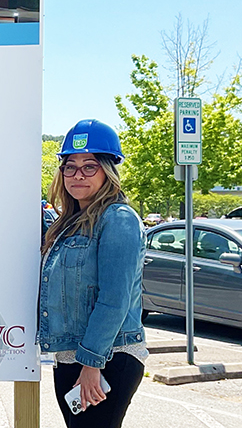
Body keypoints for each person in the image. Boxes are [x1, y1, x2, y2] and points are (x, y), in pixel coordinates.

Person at [39, 119, 146, 428]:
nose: (77, 175)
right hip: (72, 357)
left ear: (107, 170)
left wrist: (90, 363)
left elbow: (115, 299)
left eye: (89, 166)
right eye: (69, 166)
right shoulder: (70, 222)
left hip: (106, 358)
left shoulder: (118, 219)